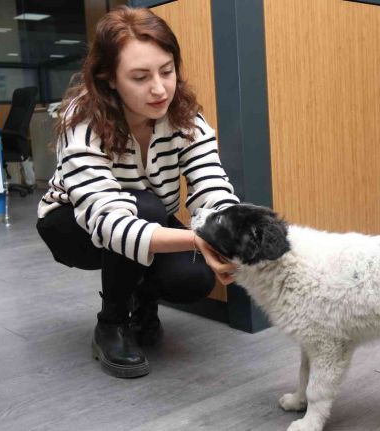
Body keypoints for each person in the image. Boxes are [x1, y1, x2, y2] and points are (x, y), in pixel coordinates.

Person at [36, 6, 239, 378]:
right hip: (74, 225)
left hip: (146, 215)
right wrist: (199, 239)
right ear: (109, 78)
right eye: (140, 77)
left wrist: (229, 234)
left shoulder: (186, 118)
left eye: (167, 71)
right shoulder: (82, 121)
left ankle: (142, 301)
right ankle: (111, 323)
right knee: (143, 207)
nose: (159, 89)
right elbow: (110, 221)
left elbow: (211, 185)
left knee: (194, 277)